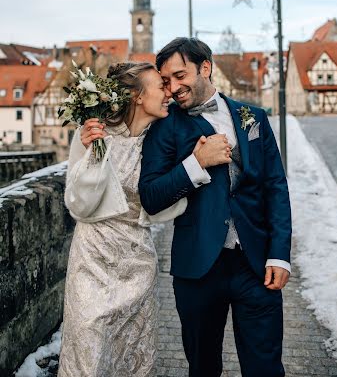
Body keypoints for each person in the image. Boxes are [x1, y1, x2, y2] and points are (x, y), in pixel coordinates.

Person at [139, 38, 292, 377]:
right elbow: (150, 195)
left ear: (205, 68)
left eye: (180, 75)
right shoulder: (164, 127)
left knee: (266, 367)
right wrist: (196, 163)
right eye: (166, 81)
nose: (173, 87)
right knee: (203, 367)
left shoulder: (252, 117)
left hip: (256, 265)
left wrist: (280, 254)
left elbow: (275, 187)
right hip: (198, 269)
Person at [58, 61, 185, 377]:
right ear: (138, 96)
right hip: (93, 260)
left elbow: (164, 200)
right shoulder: (91, 133)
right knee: (86, 357)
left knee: (131, 358)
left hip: (137, 261)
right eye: (160, 86)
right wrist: (94, 154)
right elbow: (79, 205)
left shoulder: (160, 141)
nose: (168, 92)